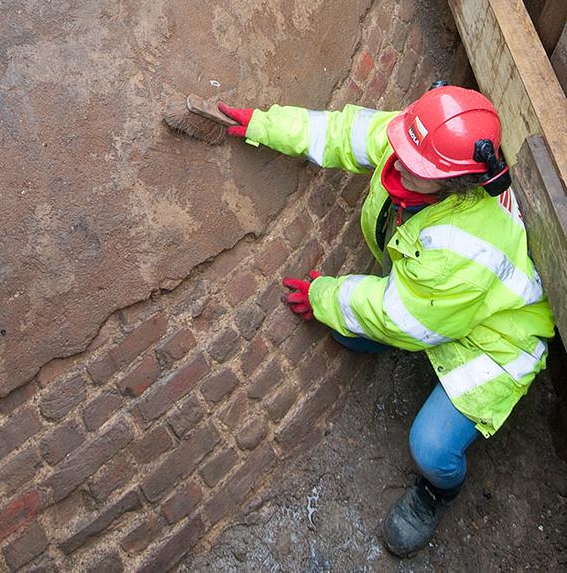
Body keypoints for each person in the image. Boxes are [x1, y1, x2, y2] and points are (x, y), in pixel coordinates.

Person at [218, 85, 555, 558]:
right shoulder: (421, 145)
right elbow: (342, 132)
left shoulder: (463, 248)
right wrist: (264, 125)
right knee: (353, 330)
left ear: (456, 185)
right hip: (438, 309)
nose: (395, 161)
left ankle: (439, 491)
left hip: (498, 344)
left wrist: (324, 296)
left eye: (412, 165)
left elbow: (399, 315)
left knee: (430, 448)